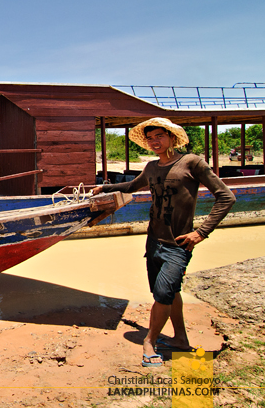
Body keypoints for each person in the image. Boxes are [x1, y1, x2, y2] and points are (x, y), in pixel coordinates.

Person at [91, 117, 235, 368]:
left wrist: (201, 232)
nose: (154, 141)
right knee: (170, 292)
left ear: (172, 137)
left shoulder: (191, 162)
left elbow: (226, 197)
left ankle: (150, 341)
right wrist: (103, 188)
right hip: (153, 240)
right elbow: (131, 186)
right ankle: (180, 339)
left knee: (165, 292)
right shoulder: (151, 167)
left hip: (178, 243)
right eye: (150, 138)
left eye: (159, 136)